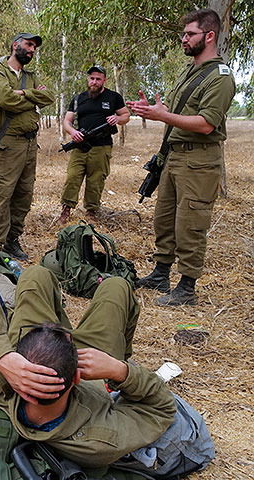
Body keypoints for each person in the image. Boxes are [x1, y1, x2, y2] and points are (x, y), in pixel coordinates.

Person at [0, 265, 213, 475]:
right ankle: (111, 354)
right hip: (96, 372)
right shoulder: (100, 437)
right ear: (75, 377)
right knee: (117, 287)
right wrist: (120, 371)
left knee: (36, 275)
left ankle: (39, 341)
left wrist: (2, 357)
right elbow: (163, 409)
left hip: (41, 356)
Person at [127, 8, 236, 306]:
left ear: (209, 35)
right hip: (175, 158)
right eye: (184, 34)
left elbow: (206, 123)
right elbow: (178, 112)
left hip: (199, 161)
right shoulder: (190, 71)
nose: (184, 39)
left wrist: (163, 116)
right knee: (165, 220)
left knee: (191, 223)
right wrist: (153, 109)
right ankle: (161, 274)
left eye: (190, 34)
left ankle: (186, 287)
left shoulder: (220, 77)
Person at [0, 33, 54, 261]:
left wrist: (25, 92)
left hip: (30, 143)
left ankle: (13, 240)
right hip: (8, 143)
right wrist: (35, 97)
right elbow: (5, 100)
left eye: (34, 47)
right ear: (15, 45)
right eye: (28, 45)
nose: (32, 50)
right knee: (2, 195)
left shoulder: (30, 77)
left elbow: (50, 97)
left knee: (24, 195)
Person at [58, 66, 130, 224]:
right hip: (80, 146)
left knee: (96, 180)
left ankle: (91, 211)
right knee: (72, 177)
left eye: (98, 79)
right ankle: (66, 209)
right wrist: (73, 132)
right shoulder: (78, 99)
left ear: (104, 80)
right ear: (88, 79)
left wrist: (117, 119)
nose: (94, 82)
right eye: (92, 78)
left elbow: (126, 115)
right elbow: (67, 121)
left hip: (101, 146)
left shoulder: (113, 97)